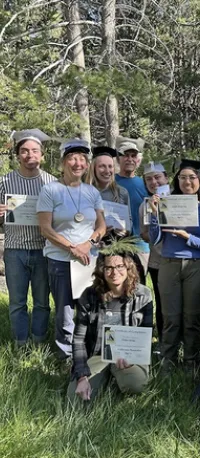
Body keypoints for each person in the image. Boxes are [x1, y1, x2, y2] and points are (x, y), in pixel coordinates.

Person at [37, 139, 106, 360]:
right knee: (65, 312)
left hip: (88, 260)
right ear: (63, 162)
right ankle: (66, 357)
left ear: (87, 165)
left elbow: (102, 225)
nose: (78, 163)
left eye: (82, 159)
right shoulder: (50, 190)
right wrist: (72, 248)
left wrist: (89, 244)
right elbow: (46, 229)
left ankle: (89, 351)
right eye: (72, 158)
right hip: (60, 260)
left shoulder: (92, 192)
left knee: (89, 308)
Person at [148, 159, 200, 371]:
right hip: (168, 265)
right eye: (182, 177)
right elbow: (155, 239)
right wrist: (155, 214)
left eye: (192, 177)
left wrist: (188, 237)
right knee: (170, 317)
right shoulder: (167, 203)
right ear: (176, 181)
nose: (187, 181)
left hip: (196, 266)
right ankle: (168, 361)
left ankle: (191, 360)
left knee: (192, 316)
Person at [68, 239, 153, 403]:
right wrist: (81, 376)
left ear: (128, 267)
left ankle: (118, 379)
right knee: (75, 399)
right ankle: (103, 378)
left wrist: (132, 359)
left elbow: (146, 334)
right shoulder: (89, 296)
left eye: (120, 266)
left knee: (135, 385)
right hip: (98, 354)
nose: (115, 272)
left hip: (129, 355)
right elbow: (78, 339)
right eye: (109, 268)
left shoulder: (143, 295)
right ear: (102, 269)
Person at [0, 129, 57, 346]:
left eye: (34, 151)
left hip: (43, 249)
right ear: (17, 155)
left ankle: (40, 342)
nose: (29, 155)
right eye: (24, 151)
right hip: (14, 249)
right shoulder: (5, 181)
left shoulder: (51, 182)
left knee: (42, 302)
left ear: (42, 154)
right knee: (17, 302)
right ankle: (20, 343)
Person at [139, 162, 168, 343]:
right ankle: (164, 341)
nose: (153, 182)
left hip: (182, 260)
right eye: (148, 179)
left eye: (157, 177)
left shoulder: (180, 199)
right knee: (162, 302)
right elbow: (143, 233)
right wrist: (156, 237)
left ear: (166, 178)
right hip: (158, 262)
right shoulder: (145, 205)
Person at [114, 136, 149, 273]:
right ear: (118, 159)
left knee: (140, 287)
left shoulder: (145, 183)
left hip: (141, 245)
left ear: (138, 159)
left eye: (133, 156)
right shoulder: (110, 182)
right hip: (117, 244)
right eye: (125, 155)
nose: (129, 159)